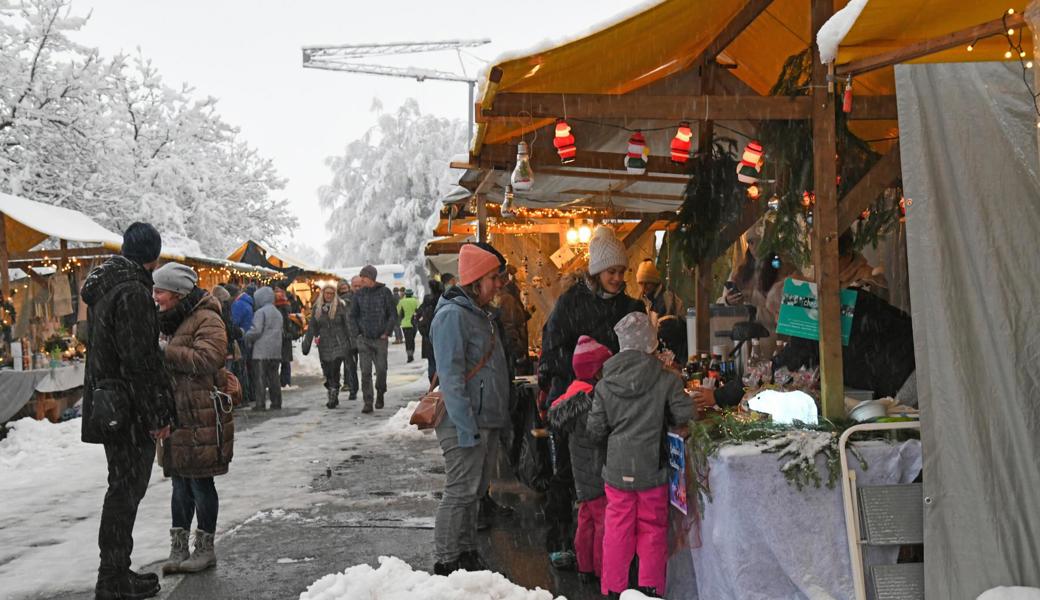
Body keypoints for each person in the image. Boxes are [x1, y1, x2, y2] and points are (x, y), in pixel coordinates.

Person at [538, 225, 644, 570]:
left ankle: (607, 549)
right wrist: (577, 379)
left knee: (610, 477)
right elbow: (551, 346)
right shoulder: (571, 302)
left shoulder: (631, 305)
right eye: (611, 271)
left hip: (617, 403)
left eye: (621, 271)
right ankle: (561, 539)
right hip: (575, 401)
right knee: (571, 472)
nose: (617, 277)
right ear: (597, 272)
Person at [81, 222, 174, 600]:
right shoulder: (133, 292)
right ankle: (112, 577)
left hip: (109, 402)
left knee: (121, 488)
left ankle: (116, 571)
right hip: (128, 408)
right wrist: (158, 415)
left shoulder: (103, 288)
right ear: (152, 257)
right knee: (124, 491)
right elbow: (141, 360)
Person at [587, 311, 693, 599]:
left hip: (618, 469)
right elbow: (685, 413)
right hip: (652, 469)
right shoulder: (665, 379)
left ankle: (614, 589)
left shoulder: (605, 384)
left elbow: (595, 429)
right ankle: (650, 589)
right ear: (650, 343)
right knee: (652, 530)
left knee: (617, 530)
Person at [430, 243, 511, 576]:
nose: (498, 284)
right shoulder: (452, 316)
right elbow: (450, 378)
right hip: (463, 421)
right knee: (460, 491)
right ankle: (447, 559)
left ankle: (466, 552)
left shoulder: (480, 314)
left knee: (475, 492)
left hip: (485, 419)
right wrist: (466, 428)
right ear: (477, 279)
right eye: (494, 278)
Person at [151, 263, 233, 576]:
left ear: (178, 292)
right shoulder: (169, 319)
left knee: (200, 481)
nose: (155, 296)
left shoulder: (207, 317)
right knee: (179, 483)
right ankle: (178, 547)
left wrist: (165, 351)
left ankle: (205, 548)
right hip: (176, 411)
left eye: (160, 290)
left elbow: (209, 358)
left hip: (200, 412)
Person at [547, 336, 614, 587]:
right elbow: (599, 433)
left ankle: (584, 566)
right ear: (596, 372)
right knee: (602, 522)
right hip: (595, 469)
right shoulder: (591, 399)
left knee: (586, 519)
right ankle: (599, 570)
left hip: (581, 470)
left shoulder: (573, 394)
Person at [350, 265, 398, 413]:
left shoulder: (385, 292)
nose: (361, 279)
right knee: (365, 372)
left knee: (381, 369)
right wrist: (357, 332)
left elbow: (393, 315)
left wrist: (387, 332)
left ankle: (380, 392)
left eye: (363, 277)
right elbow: (352, 315)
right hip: (364, 339)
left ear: (371, 277)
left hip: (380, 339)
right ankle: (368, 401)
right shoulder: (359, 295)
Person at [306, 284, 351, 408]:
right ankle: (333, 389)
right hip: (324, 343)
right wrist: (309, 341)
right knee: (327, 371)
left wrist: (351, 342)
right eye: (327, 293)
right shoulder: (317, 308)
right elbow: (312, 326)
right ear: (323, 294)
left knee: (334, 368)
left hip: (339, 342)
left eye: (331, 293)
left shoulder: (341, 306)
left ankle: (332, 393)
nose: (329, 295)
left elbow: (347, 324)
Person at [244, 287, 283, 411]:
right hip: (275, 350)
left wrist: (246, 335)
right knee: (274, 377)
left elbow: (256, 330)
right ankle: (276, 401)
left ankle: (260, 403)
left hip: (261, 351)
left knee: (260, 378)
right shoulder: (277, 312)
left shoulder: (260, 312)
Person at [497, 264, 532, 373]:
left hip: (514, 355)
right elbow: (509, 327)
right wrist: (519, 354)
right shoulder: (507, 299)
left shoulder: (510, 296)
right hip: (514, 358)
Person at [413, 279, 443, 382]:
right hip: (442, 340)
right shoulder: (443, 301)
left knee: (432, 364)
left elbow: (417, 318)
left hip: (428, 340)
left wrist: (424, 333)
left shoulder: (427, 303)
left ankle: (433, 385)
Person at [229, 285, 255, 405]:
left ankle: (243, 396)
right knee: (247, 368)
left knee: (241, 369)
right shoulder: (247, 302)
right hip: (247, 338)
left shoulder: (238, 305)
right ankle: (249, 394)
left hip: (241, 340)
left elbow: (234, 322)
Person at [274, 285, 301, 388]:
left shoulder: (280, 308)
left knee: (279, 362)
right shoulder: (287, 307)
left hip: (280, 338)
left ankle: (281, 382)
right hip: (285, 338)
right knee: (284, 362)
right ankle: (285, 382)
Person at [338, 280, 360, 399]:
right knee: (351, 365)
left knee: (350, 365)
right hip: (350, 336)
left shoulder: (352, 299)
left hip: (352, 336)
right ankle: (352, 388)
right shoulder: (353, 299)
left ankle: (352, 388)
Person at [398, 288, 419, 363]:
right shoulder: (415, 301)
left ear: (405, 294)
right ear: (412, 294)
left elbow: (398, 311)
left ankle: (409, 355)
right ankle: (412, 353)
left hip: (405, 324)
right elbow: (419, 310)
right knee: (412, 339)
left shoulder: (401, 301)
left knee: (408, 340)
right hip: (414, 323)